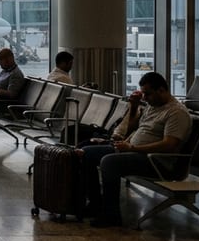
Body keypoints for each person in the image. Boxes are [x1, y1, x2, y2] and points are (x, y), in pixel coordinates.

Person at [79, 71, 192, 227]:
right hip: (134, 151)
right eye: (143, 93)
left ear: (161, 90)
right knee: (86, 153)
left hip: (156, 161)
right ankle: (95, 204)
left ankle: (111, 214)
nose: (144, 98)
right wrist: (133, 109)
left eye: (148, 94)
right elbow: (133, 129)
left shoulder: (176, 112)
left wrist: (133, 147)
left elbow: (169, 145)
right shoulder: (152, 106)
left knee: (109, 162)